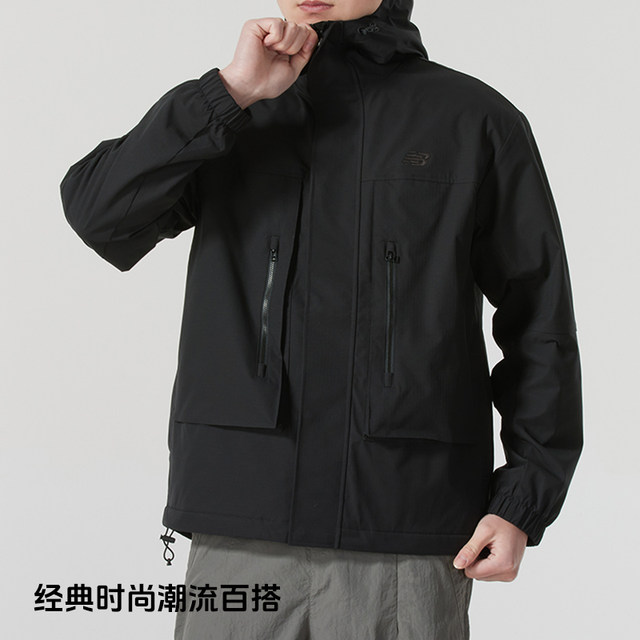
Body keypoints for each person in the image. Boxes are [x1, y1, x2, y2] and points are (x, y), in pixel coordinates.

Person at [59, 1, 583, 638]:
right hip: (242, 521)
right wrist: (229, 93)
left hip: (403, 530)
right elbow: (100, 214)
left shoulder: (473, 119)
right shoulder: (233, 115)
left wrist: (524, 498)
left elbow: (539, 319)